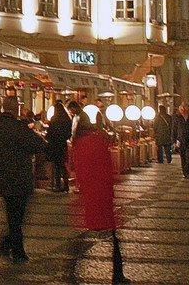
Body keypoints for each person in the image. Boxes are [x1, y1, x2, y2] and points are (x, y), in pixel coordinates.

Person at [0, 95, 46, 263]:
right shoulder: (17, 127)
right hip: (20, 176)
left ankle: (7, 246)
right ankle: (16, 250)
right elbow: (38, 144)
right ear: (16, 109)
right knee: (18, 216)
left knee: (13, 215)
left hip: (3, 175)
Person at [71, 121, 128, 284]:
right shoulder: (98, 144)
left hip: (91, 195)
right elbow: (108, 169)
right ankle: (118, 275)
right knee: (113, 237)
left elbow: (80, 170)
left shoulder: (82, 145)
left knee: (89, 234)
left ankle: (71, 265)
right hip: (103, 195)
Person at [46, 101, 72, 192]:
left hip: (55, 144)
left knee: (56, 165)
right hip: (62, 144)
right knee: (62, 165)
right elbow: (69, 133)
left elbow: (50, 132)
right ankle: (66, 184)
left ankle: (57, 184)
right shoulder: (67, 119)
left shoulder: (54, 119)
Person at [173, 103, 189, 178]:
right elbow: (174, 130)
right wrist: (174, 141)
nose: (183, 110)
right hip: (181, 141)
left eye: (185, 108)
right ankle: (184, 171)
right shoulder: (178, 119)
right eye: (182, 109)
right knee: (183, 157)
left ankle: (188, 171)